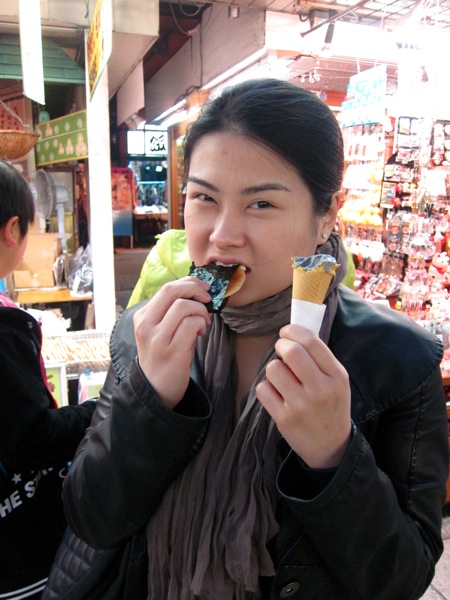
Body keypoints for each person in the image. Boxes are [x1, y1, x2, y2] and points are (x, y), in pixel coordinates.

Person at [58, 79, 448, 600]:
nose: (222, 235)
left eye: (261, 203)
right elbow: (91, 518)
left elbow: (403, 578)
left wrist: (335, 458)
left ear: (327, 215)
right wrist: (149, 403)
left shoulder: (399, 360)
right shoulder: (144, 333)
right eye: (204, 197)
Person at [0, 160, 96, 599]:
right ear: (13, 229)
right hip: (18, 551)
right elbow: (30, 439)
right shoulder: (5, 331)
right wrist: (98, 411)